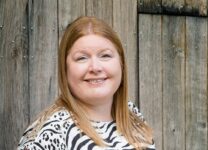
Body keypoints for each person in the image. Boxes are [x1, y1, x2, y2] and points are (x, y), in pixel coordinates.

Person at [18, 16, 155, 150]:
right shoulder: (51, 131)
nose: (95, 67)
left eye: (105, 55)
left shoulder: (132, 115)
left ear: (121, 63)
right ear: (65, 69)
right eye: (82, 58)